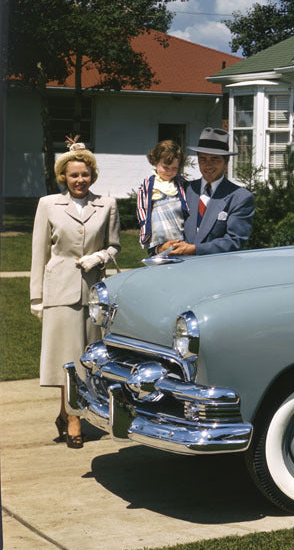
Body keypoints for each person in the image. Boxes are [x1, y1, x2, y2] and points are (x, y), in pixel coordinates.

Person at [30, 138, 121, 449]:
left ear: (92, 175)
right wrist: (36, 298)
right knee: (67, 361)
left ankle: (65, 411)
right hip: (60, 292)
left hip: (94, 293)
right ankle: (73, 419)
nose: (79, 180)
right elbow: (38, 253)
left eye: (84, 174)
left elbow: (115, 245)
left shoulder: (107, 204)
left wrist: (100, 257)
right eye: (73, 175)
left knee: (89, 359)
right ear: (63, 178)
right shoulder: (48, 205)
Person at [159, 127, 254, 256]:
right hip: (180, 268)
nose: (208, 165)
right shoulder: (184, 190)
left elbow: (235, 241)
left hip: (216, 270)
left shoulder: (239, 197)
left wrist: (194, 249)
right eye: (203, 159)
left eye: (215, 159)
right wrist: (162, 246)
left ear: (226, 161)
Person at [137, 139, 189, 256]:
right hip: (158, 238)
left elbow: (188, 208)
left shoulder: (181, 184)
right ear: (155, 162)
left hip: (179, 235)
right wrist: (144, 226)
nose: (169, 172)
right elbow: (141, 208)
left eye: (174, 168)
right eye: (165, 167)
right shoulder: (148, 184)